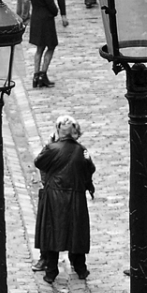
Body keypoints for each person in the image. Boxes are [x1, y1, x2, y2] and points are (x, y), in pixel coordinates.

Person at [34, 115, 95, 284]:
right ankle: (80, 267)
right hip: (75, 195)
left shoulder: (52, 148)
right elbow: (90, 168)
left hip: (54, 196)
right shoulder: (82, 150)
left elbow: (39, 162)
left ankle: (51, 271)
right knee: (75, 232)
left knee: (52, 232)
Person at [28, 0, 58, 89]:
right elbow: (51, 5)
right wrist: (56, 11)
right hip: (46, 20)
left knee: (39, 48)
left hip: (36, 18)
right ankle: (43, 74)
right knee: (51, 46)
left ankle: (36, 75)